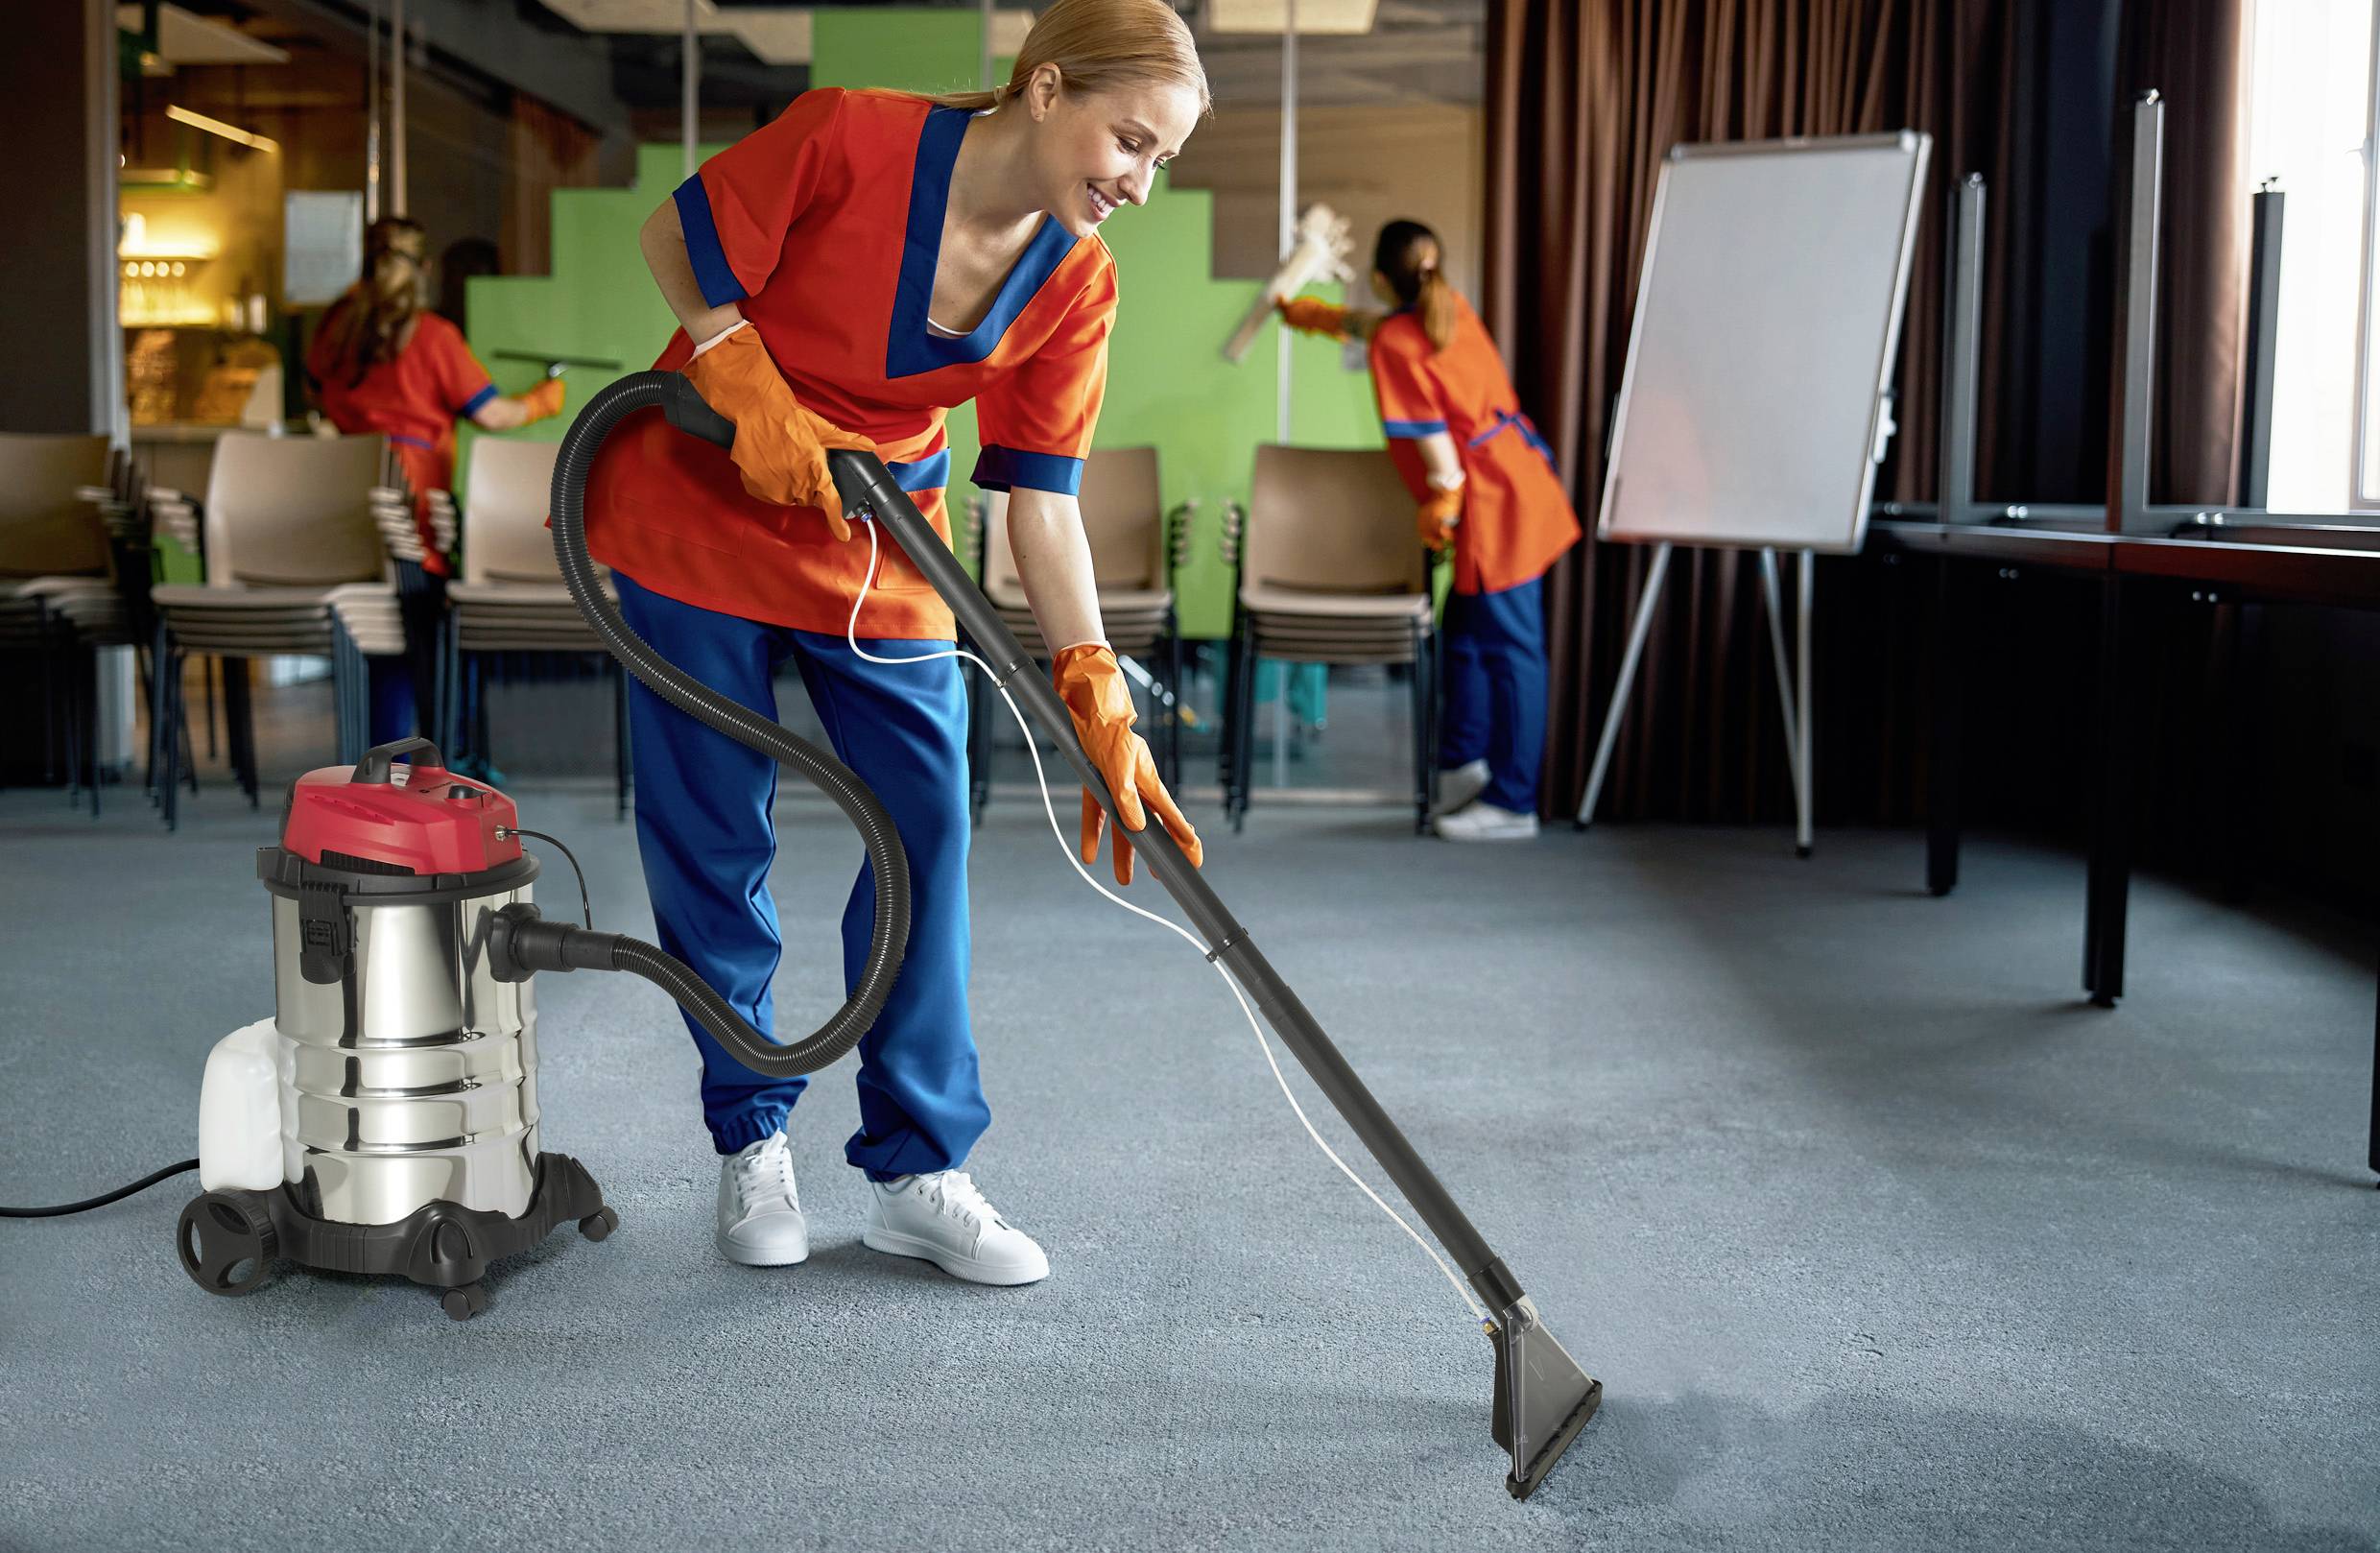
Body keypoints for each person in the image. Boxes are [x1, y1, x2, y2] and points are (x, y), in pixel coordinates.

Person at [585, 0, 1207, 1284]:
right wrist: (738, 370)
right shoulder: (851, 138)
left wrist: (1092, 682)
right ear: (1044, 88)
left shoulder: (1079, 278)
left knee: (925, 828)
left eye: (1164, 162)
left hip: (880, 541)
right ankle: (750, 1137)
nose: (1142, 183)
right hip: (703, 502)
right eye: (1131, 142)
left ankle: (918, 1168)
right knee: (713, 827)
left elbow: (1038, 496)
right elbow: (676, 238)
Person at [1276, 220, 1580, 841]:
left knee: (1511, 648)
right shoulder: (1449, 309)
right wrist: (1312, 316)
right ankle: (1463, 767)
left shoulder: (1397, 341)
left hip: (1495, 504)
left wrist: (1437, 510)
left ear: (1385, 279)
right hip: (1514, 480)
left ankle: (1513, 802)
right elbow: (1377, 327)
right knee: (1465, 639)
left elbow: (1440, 457)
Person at [308, 218, 565, 744]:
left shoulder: (335, 329)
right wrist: (547, 398)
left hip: (350, 498)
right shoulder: (432, 336)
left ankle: (380, 760)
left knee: (375, 633)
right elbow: (492, 415)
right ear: (423, 268)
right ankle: (435, 757)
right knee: (420, 633)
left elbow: (316, 393)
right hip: (412, 504)